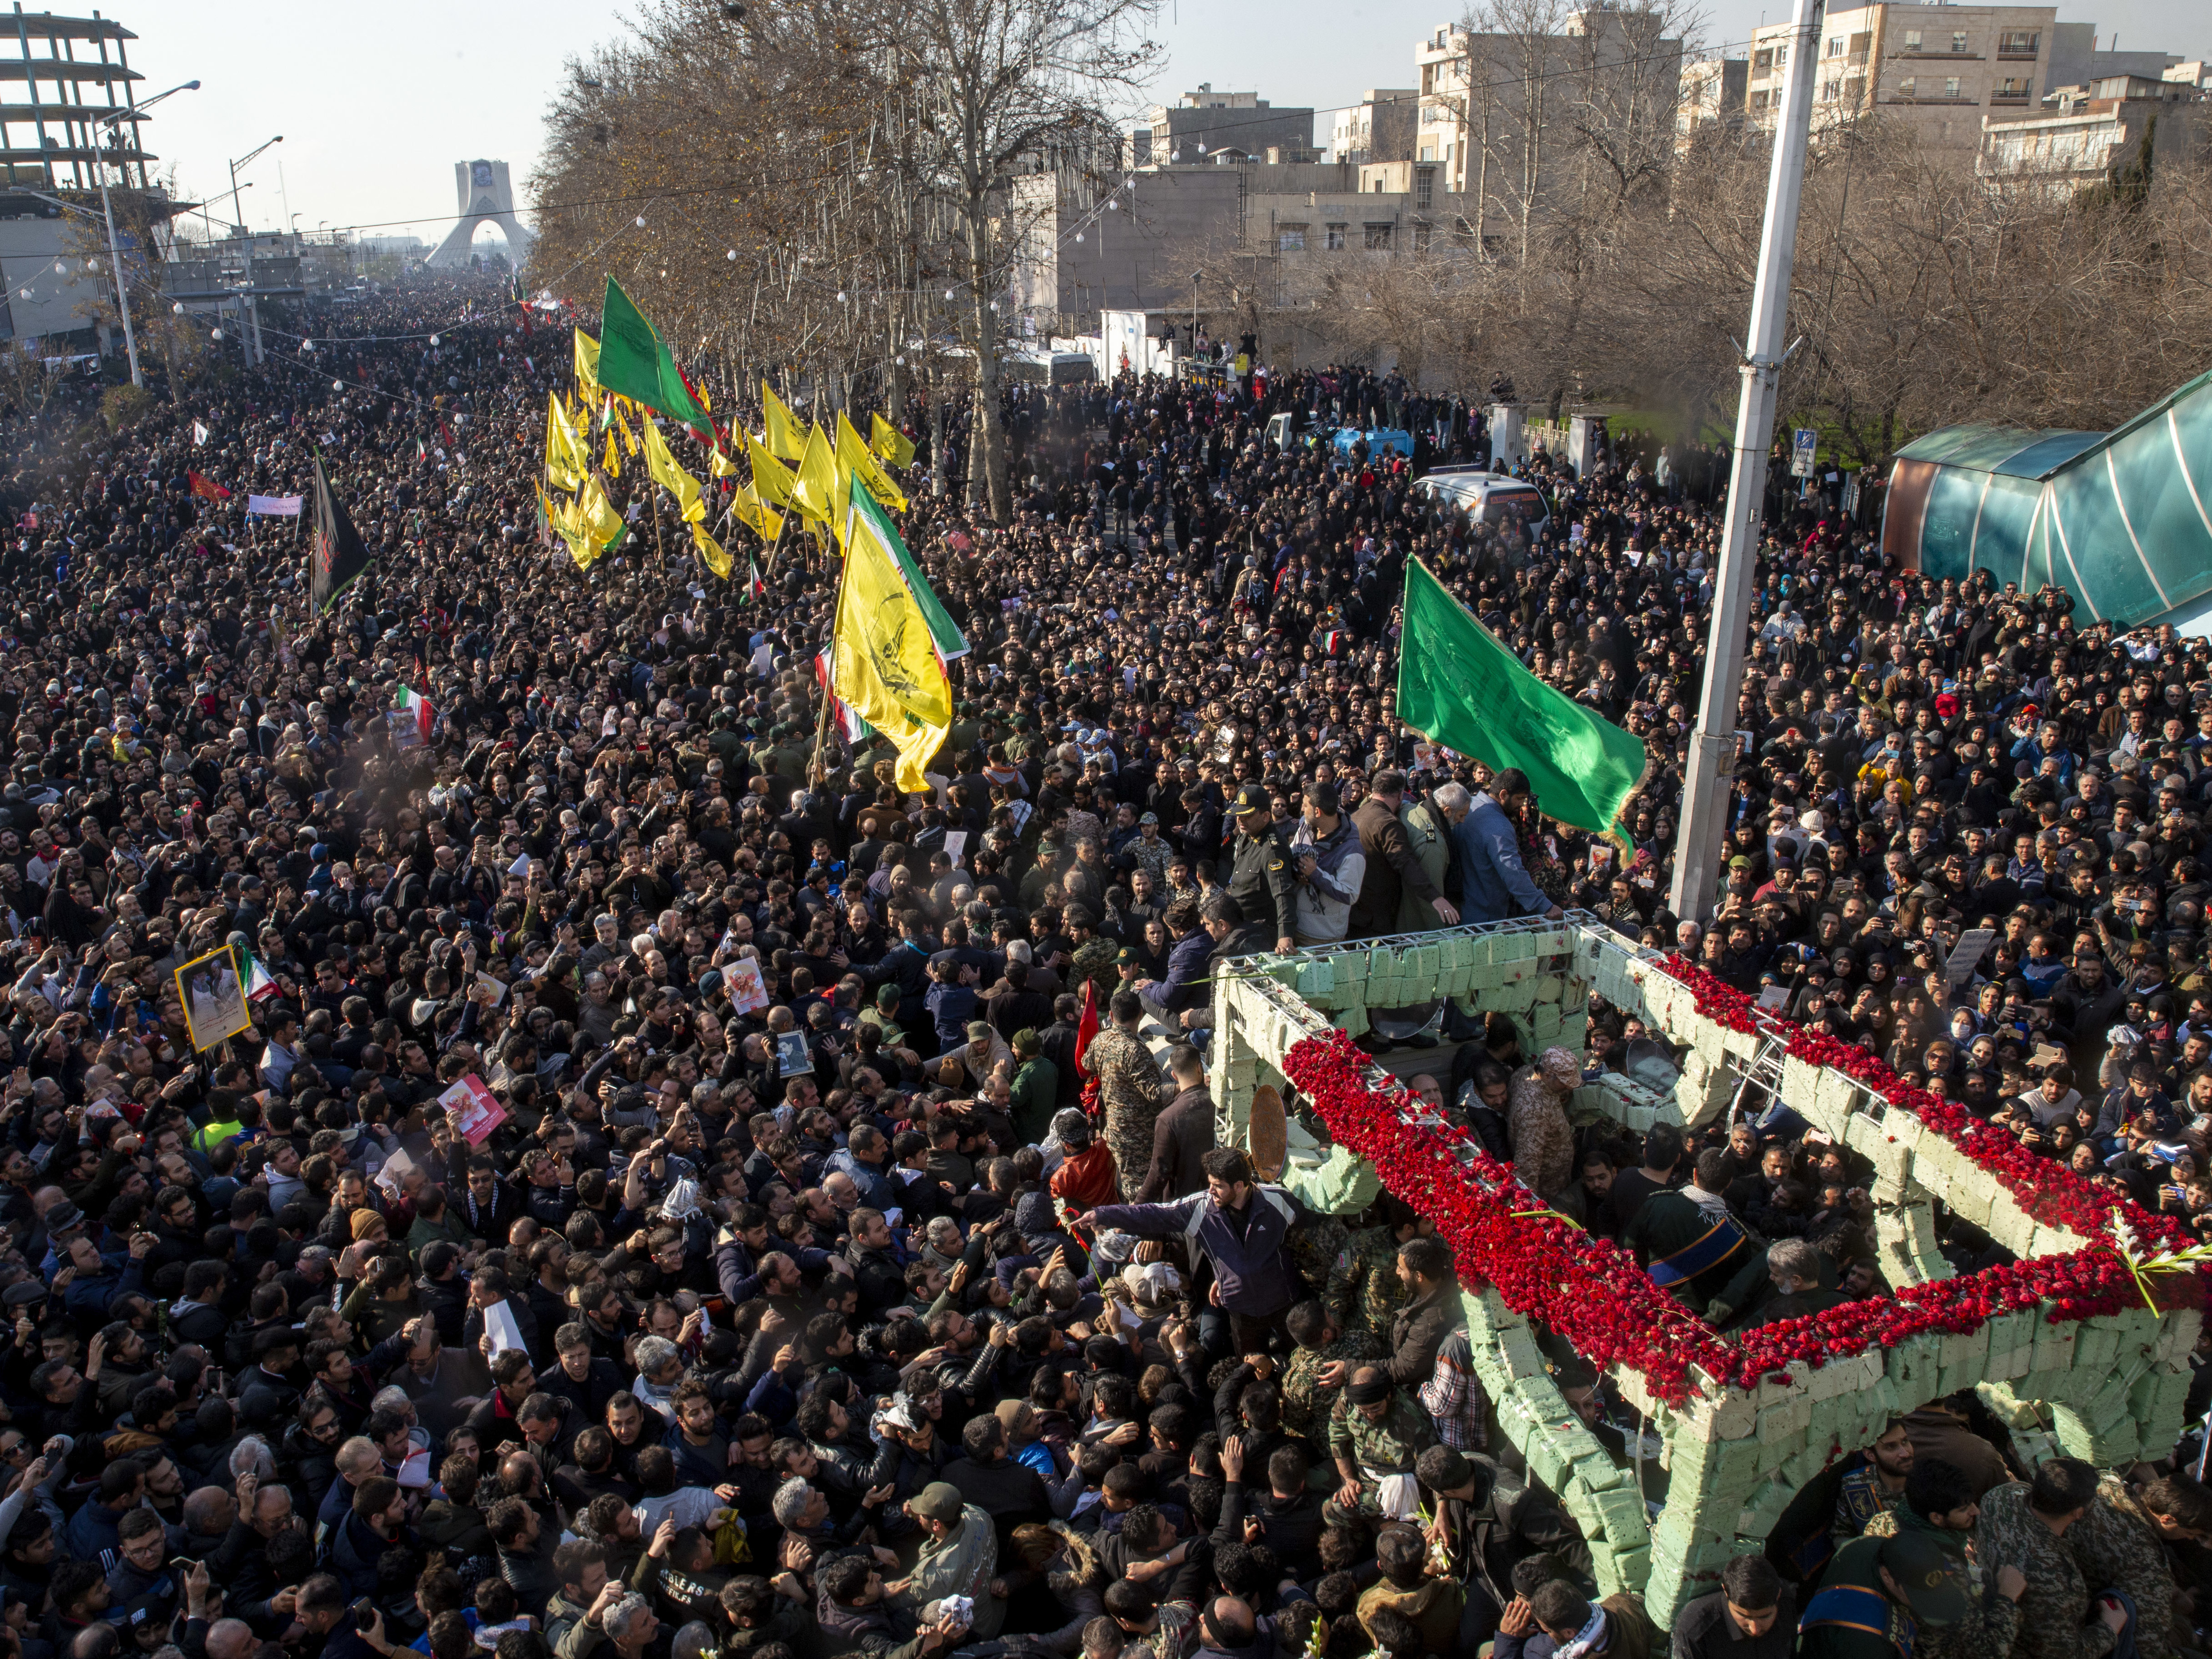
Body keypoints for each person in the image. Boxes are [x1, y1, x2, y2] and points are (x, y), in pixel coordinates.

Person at [1459, 770, 1564, 925]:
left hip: (1464, 907)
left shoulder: (1471, 805)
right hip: (1485, 917)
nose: (1522, 805)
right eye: (1520, 799)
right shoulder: (1499, 826)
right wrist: (1545, 906)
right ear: (1503, 795)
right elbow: (1513, 872)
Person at [1668, 1554, 1795, 1659]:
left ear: (1779, 1595)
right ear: (1726, 1592)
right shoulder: (1695, 1627)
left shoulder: (1786, 1605)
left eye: (1765, 1616)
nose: (1755, 1629)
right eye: (1744, 1616)